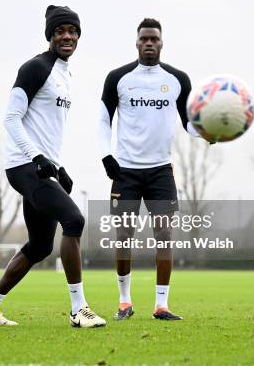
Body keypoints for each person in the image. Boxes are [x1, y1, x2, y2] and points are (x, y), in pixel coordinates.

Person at [0, 5, 106, 328]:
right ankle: (79, 310)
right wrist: (37, 157)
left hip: (41, 167)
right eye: (60, 31)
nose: (67, 36)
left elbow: (44, 129)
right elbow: (11, 119)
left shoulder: (65, 74)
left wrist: (58, 167)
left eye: (73, 31)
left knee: (40, 246)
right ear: (50, 35)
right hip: (22, 165)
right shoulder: (35, 68)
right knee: (74, 220)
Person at [98, 18, 210, 321]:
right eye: (144, 39)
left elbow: (189, 124)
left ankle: (161, 305)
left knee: (164, 235)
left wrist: (209, 133)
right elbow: (103, 119)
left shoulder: (177, 79)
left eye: (154, 39)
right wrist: (106, 155)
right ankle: (124, 302)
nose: (149, 43)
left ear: (162, 43)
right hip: (126, 172)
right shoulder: (118, 77)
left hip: (161, 171)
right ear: (137, 43)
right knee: (123, 236)